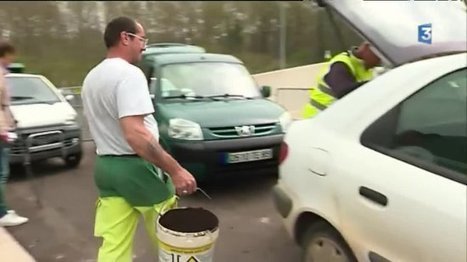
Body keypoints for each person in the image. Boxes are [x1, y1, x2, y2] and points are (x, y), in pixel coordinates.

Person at [81, 17, 197, 261]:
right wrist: (175, 171)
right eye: (142, 39)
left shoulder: (91, 77)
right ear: (125, 37)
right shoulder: (130, 75)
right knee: (171, 239)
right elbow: (136, 134)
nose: (144, 46)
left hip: (106, 168)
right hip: (137, 169)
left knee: (114, 245)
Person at [302, 42, 382, 118]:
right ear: (366, 48)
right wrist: (377, 83)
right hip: (317, 119)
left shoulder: (368, 69)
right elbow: (343, 91)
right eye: (378, 56)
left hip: (335, 120)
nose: (379, 61)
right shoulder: (341, 64)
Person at [0, 40, 29, 227]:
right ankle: (2, 213)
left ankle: (2, 209)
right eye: (11, 55)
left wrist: (11, 120)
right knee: (2, 172)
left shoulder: (3, 73)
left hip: (5, 124)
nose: (13, 59)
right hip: (1, 130)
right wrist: (3, 130)